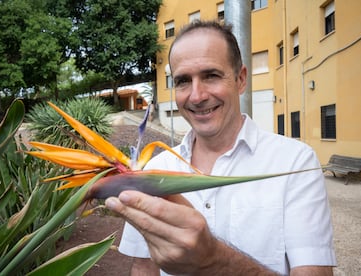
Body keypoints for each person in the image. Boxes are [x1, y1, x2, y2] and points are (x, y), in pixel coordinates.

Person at [105, 20, 336, 275]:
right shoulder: (155, 170)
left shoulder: (294, 163)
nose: (196, 96)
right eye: (183, 81)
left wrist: (214, 258)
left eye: (211, 76)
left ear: (240, 79)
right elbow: (143, 267)